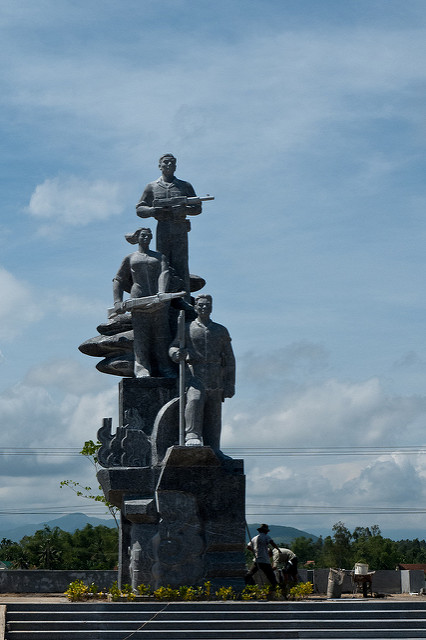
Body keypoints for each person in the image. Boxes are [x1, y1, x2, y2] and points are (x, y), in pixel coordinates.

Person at [169, 294, 235, 450]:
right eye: (201, 305)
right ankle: (192, 435)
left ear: (212, 307)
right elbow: (173, 346)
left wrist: (230, 384)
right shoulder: (186, 328)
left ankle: (215, 448)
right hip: (194, 373)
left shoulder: (220, 330)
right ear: (195, 307)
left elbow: (230, 360)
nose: (204, 308)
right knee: (194, 400)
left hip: (215, 376)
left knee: (214, 414)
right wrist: (176, 354)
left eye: (207, 305)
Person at [112, 227, 176, 379]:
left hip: (158, 302)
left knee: (162, 337)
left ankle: (165, 367)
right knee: (141, 338)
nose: (146, 237)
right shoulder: (131, 258)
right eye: (143, 235)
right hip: (138, 300)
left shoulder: (159, 257)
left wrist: (161, 292)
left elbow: (164, 273)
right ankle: (141, 368)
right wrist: (117, 301)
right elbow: (118, 280)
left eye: (149, 235)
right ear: (137, 238)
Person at [135, 154, 201, 299]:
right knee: (162, 262)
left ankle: (183, 298)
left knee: (181, 263)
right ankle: (163, 295)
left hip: (180, 228)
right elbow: (140, 209)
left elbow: (197, 207)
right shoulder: (151, 187)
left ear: (176, 166)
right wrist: (153, 211)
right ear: (160, 166)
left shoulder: (184, 186)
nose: (169, 165)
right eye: (166, 162)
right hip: (163, 228)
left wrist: (185, 210)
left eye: (172, 162)